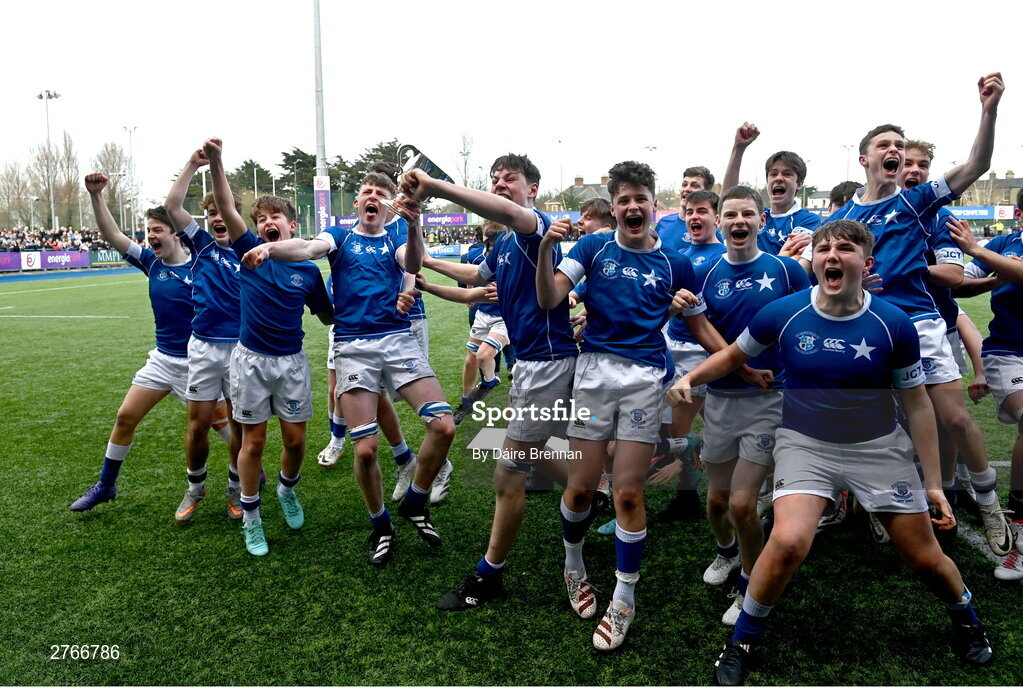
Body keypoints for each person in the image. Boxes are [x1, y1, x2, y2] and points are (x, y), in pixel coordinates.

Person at [670, 219, 994, 684]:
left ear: (867, 262)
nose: (831, 256)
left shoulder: (893, 323)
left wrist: (932, 483)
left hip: (878, 448)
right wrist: (690, 378)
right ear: (815, 260)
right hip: (805, 444)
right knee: (786, 542)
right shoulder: (783, 312)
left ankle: (967, 619)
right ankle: (742, 639)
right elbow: (734, 356)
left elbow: (918, 405)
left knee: (922, 556)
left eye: (845, 248)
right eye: (823, 249)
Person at [801, 73, 1013, 557]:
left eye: (899, 144)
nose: (894, 150)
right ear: (864, 158)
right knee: (879, 425)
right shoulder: (842, 220)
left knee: (954, 418)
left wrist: (989, 109)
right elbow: (825, 269)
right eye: (885, 144)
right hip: (866, 330)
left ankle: (988, 505)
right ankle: (879, 506)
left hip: (918, 324)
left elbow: (977, 164)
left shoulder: (916, 199)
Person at [535, 161, 735, 650]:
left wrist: (737, 362)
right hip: (594, 375)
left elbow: (697, 325)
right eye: (623, 198)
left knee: (627, 493)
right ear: (615, 205)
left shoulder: (675, 263)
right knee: (582, 489)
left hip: (646, 380)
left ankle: (624, 598)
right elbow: (548, 299)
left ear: (653, 202)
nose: (632, 206)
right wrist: (544, 250)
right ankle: (574, 567)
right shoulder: (591, 246)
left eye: (640, 197)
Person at [247, 171, 455, 567]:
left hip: (397, 340)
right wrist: (270, 250)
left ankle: (415, 501)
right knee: (365, 451)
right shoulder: (339, 237)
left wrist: (413, 226)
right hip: (352, 347)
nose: (372, 197)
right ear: (357, 204)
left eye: (381, 193)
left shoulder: (396, 236)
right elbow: (309, 248)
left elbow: (411, 261)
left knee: (443, 426)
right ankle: (380, 525)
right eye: (366, 193)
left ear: (389, 205)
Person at [402, 153, 573, 609]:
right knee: (531, 450)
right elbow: (475, 277)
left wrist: (436, 188)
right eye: (494, 179)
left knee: (507, 470)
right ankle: (593, 489)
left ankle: (488, 575)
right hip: (533, 363)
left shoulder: (532, 224)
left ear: (532, 189)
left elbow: (507, 213)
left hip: (549, 363)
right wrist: (428, 270)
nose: (500, 184)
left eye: (509, 179)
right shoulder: (501, 245)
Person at [681, 185, 810, 626]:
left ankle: (750, 583)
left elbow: (810, 317)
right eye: (731, 214)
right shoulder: (707, 273)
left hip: (769, 401)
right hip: (720, 400)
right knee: (716, 502)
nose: (739, 222)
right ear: (720, 220)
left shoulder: (787, 270)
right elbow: (707, 335)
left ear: (761, 220)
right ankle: (727, 554)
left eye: (747, 214)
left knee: (741, 504)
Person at [205, 138, 333, 557]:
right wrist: (218, 161)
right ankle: (253, 519)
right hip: (251, 362)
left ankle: (287, 491)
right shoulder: (249, 253)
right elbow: (226, 208)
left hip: (291, 363)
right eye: (261, 218)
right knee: (253, 444)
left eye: (275, 216)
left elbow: (330, 317)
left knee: (295, 443)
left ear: (291, 225)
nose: (267, 223)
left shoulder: (309, 272)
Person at [70, 175, 198, 512]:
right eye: (148, 230)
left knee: (227, 433)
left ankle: (250, 477)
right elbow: (112, 234)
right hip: (162, 361)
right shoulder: (150, 262)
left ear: (176, 233)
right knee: (125, 417)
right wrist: (96, 196)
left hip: (198, 365)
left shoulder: (202, 267)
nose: (150, 235)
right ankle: (106, 485)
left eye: (157, 229)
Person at [163, 149, 246, 522]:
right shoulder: (202, 244)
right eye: (211, 213)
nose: (216, 218)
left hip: (243, 349)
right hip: (204, 348)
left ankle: (235, 486)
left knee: (241, 424)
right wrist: (195, 165)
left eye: (221, 212)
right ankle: (195, 486)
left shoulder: (252, 249)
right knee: (197, 425)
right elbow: (171, 205)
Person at [949, 209, 1023, 580]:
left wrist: (977, 250)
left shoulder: (987, 248)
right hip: (1010, 354)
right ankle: (1019, 524)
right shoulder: (1004, 243)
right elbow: (958, 284)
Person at [657, 190, 728, 521]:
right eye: (689, 211)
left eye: (703, 210)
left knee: (692, 428)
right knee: (670, 430)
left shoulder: (726, 256)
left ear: (716, 217)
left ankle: (696, 495)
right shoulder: (678, 257)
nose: (695, 216)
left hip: (709, 352)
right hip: (675, 350)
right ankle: (688, 497)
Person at [721, 123, 821, 258]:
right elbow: (729, 199)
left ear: (799, 184)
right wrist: (738, 149)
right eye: (773, 174)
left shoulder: (807, 219)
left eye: (787, 174)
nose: (778, 178)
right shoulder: (759, 215)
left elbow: (791, 260)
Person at [654, 165, 716, 253]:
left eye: (694, 186)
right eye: (684, 184)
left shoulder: (710, 230)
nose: (687, 189)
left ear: (706, 193)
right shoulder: (664, 222)